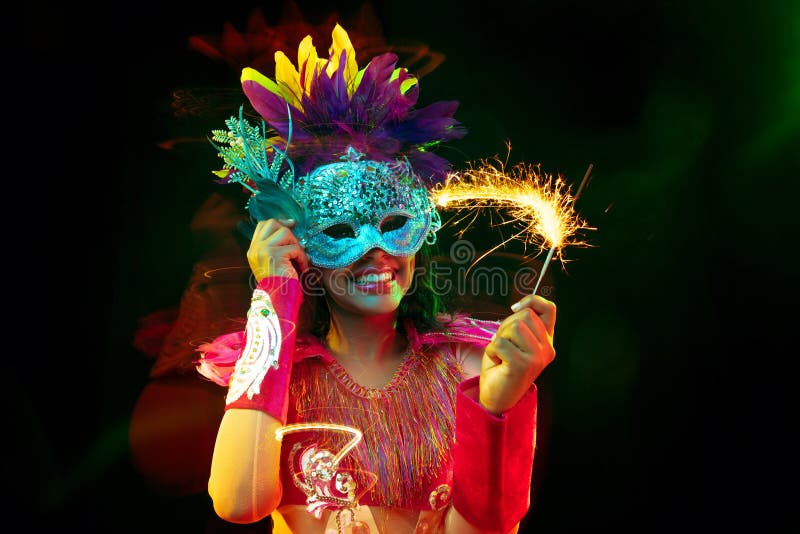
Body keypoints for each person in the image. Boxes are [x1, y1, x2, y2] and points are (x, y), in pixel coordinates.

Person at [195, 24, 557, 534]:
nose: (376, 252)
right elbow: (239, 501)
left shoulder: (473, 367)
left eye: (392, 225)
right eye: (340, 229)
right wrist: (273, 298)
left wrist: (496, 406)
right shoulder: (276, 373)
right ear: (298, 242)